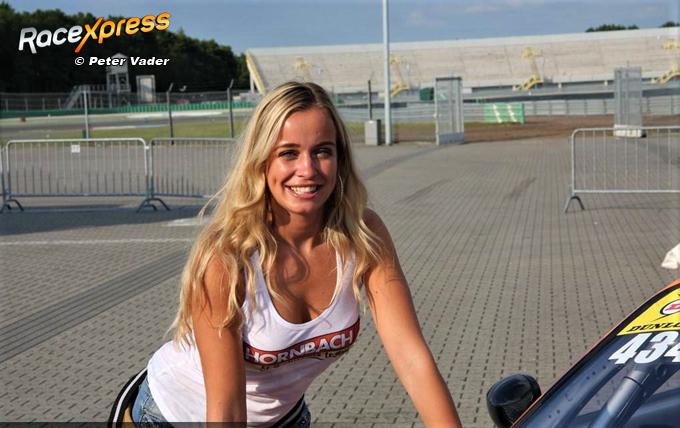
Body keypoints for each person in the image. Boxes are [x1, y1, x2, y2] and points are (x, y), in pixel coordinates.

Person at [131, 81, 463, 427]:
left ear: (339, 158)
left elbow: (411, 358)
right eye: (288, 153)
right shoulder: (226, 258)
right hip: (176, 415)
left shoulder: (363, 234)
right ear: (261, 161)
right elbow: (227, 412)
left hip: (282, 417)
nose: (308, 169)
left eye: (322, 151)